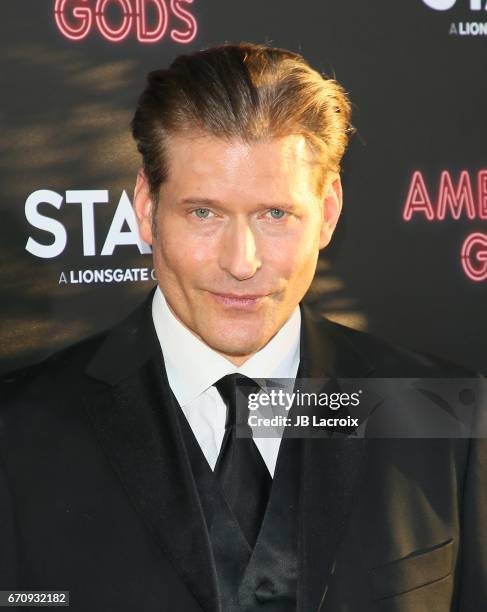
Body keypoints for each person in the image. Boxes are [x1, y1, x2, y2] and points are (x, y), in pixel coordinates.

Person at [0, 42, 485, 612]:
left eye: (275, 214)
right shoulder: (17, 436)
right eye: (203, 212)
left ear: (327, 213)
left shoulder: (441, 419)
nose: (241, 261)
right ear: (147, 209)